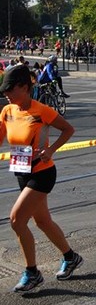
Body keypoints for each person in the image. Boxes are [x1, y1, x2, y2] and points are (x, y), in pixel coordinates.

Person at [0, 65, 83, 292]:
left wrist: (51, 150)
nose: (6, 94)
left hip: (42, 172)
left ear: (25, 87)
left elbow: (68, 129)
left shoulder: (41, 110)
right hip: (21, 172)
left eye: (10, 89)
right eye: (4, 90)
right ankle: (71, 256)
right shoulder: (7, 111)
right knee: (42, 221)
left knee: (17, 220)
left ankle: (32, 272)